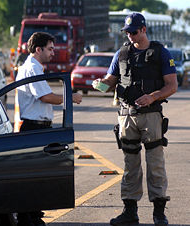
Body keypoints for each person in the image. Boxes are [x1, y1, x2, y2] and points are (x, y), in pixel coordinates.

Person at [92, 13, 177, 226]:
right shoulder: (121, 54)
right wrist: (99, 84)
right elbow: (110, 82)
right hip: (127, 116)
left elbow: (172, 85)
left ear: (144, 29)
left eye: (134, 31)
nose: (130, 35)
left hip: (151, 116)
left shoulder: (160, 52)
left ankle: (159, 213)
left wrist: (153, 96)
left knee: (155, 164)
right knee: (130, 164)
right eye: (127, 32)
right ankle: (130, 212)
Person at [15, 32, 82, 226]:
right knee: (32, 176)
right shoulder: (32, 68)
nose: (53, 53)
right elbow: (45, 97)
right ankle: (28, 218)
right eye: (50, 48)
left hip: (39, 127)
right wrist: (71, 97)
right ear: (38, 49)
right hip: (33, 128)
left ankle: (33, 215)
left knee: (38, 175)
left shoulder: (34, 67)